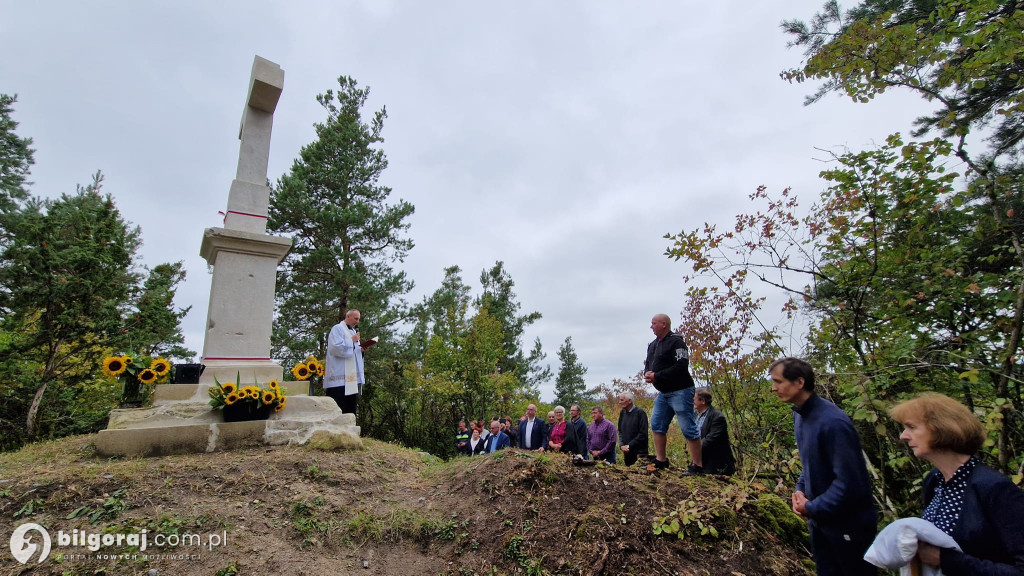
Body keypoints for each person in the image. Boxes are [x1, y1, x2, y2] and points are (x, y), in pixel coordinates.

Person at [889, 392, 1024, 575]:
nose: (903, 436)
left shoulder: (994, 488)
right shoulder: (934, 481)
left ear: (942, 428)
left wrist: (945, 560)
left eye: (911, 427)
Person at [769, 357, 877, 576]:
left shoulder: (833, 423)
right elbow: (810, 464)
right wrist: (799, 491)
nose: (773, 388)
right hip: (820, 524)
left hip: (849, 528)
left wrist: (811, 508)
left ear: (799, 382)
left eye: (778, 381)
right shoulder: (800, 415)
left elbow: (850, 484)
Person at [645, 314, 702, 475]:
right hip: (663, 393)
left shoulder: (677, 342)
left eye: (654, 323)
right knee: (656, 424)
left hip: (681, 390)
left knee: (687, 428)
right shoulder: (652, 345)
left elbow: (681, 366)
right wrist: (648, 374)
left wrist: (657, 376)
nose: (651, 326)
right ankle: (661, 461)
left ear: (664, 324)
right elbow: (648, 364)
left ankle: (697, 466)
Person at [325, 309, 364, 414]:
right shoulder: (337, 329)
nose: (357, 321)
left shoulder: (353, 331)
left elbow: (352, 350)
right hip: (339, 377)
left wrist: (361, 350)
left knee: (350, 410)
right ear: (348, 317)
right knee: (338, 408)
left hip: (351, 378)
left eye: (359, 319)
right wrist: (352, 341)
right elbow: (335, 348)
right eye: (356, 318)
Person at [694, 389, 735, 476]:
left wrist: (695, 447)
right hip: (702, 460)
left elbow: (712, 438)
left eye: (694, 399)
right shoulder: (696, 415)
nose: (692, 401)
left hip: (716, 464)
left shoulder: (717, 417)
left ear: (702, 401)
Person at [617, 392, 649, 466]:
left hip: (639, 453)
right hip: (627, 453)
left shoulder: (640, 413)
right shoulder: (623, 413)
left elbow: (643, 434)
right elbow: (620, 430)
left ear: (629, 401)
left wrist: (629, 446)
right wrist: (622, 445)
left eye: (622, 400)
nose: (619, 402)